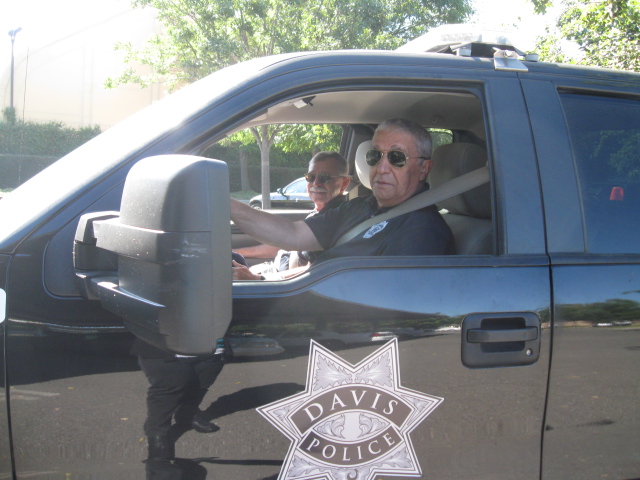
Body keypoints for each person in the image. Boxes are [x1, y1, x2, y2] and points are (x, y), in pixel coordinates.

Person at [230, 118, 455, 272]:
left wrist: (268, 281)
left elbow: (379, 304)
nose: (382, 167)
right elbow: (292, 234)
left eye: (397, 157)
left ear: (424, 169)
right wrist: (224, 203)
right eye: (375, 156)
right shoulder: (359, 207)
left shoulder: (423, 231)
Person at [232, 151, 350, 280]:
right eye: (311, 177)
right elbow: (283, 244)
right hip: (276, 270)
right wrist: (239, 252)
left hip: (286, 286)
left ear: (344, 184)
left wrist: (258, 278)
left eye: (325, 177)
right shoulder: (320, 213)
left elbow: (313, 270)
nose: (316, 183)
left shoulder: (335, 219)